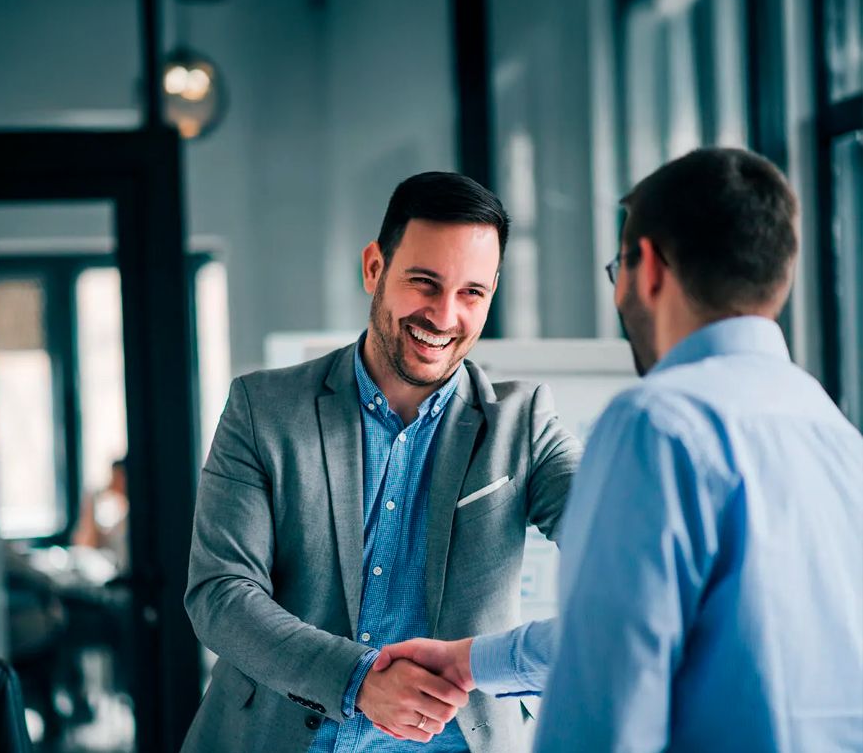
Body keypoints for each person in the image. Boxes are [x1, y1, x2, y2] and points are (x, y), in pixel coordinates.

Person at [373, 148, 863, 751]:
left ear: (649, 268)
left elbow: (604, 687)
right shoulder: (836, 434)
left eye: (618, 268)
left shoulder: (657, 424)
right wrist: (474, 660)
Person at [181, 171, 583, 753]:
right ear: (375, 268)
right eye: (425, 282)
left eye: (472, 293)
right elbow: (219, 593)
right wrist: (358, 679)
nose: (444, 317)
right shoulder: (263, 409)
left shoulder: (523, 425)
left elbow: (628, 563)